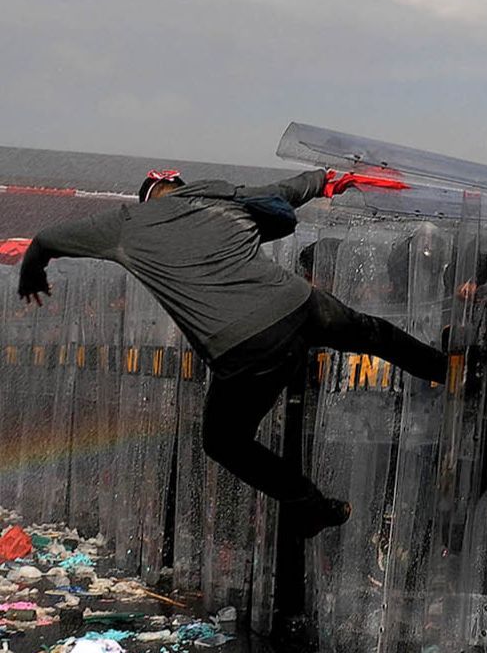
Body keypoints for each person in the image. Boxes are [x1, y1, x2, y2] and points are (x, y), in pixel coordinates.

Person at [18, 166, 446, 537]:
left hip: (247, 343)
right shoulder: (217, 195)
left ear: (147, 200)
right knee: (371, 333)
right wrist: (326, 180)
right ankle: (450, 370)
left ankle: (311, 505)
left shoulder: (128, 222)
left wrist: (32, 274)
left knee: (224, 442)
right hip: (300, 303)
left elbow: (46, 239)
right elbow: (286, 191)